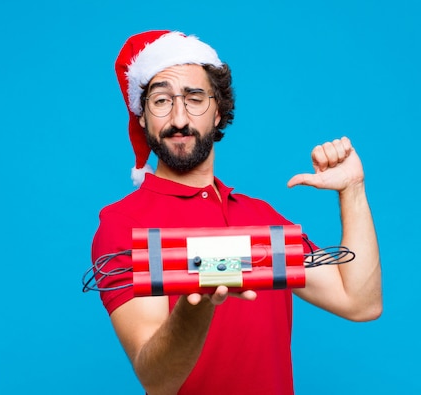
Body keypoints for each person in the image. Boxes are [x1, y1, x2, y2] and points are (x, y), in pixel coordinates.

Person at [91, 30, 382, 395]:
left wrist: (352, 190)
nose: (179, 118)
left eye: (195, 98)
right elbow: (158, 380)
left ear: (218, 113)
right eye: (162, 101)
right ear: (143, 118)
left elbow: (360, 301)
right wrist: (197, 304)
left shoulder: (263, 219)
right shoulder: (124, 225)